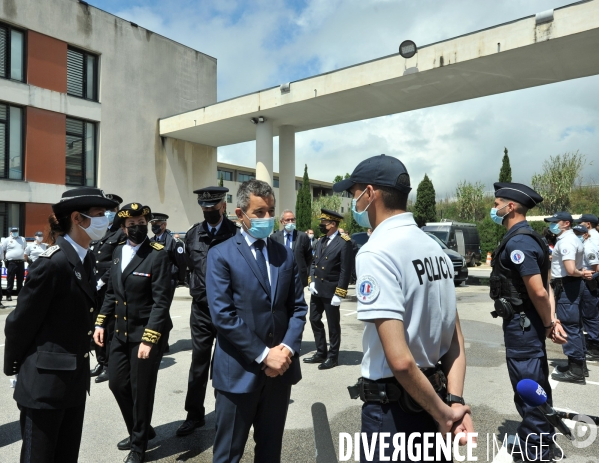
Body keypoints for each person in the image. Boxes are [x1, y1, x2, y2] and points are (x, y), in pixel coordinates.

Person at [333, 154, 473, 461]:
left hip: (392, 415)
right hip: (436, 397)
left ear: (371, 194)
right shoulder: (434, 248)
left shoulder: (376, 252)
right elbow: (455, 340)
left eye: (355, 194)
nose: (354, 203)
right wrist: (453, 403)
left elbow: (400, 361)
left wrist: (444, 415)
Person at [4, 187, 117, 463]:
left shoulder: (87, 258)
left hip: (74, 381)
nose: (106, 220)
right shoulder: (52, 264)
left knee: (66, 457)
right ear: (77, 218)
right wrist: (15, 366)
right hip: (44, 386)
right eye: (100, 214)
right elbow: (20, 322)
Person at [206, 179, 307, 463]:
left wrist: (285, 350)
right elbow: (223, 316)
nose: (267, 218)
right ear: (240, 215)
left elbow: (298, 308)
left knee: (270, 451)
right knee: (228, 454)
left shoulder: (284, 255)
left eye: (270, 211)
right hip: (238, 374)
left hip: (280, 374)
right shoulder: (221, 254)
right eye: (260, 212)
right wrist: (264, 355)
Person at [488, 183, 567, 461]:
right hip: (528, 323)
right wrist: (551, 319)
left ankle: (536, 449)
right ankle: (543, 439)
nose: (494, 208)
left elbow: (538, 290)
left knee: (528, 387)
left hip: (523, 327)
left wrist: (549, 323)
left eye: (497, 203)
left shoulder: (519, 242)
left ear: (511, 207)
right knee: (537, 385)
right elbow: (546, 286)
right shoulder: (526, 237)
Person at [93, 203, 172, 463]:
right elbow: (113, 293)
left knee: (141, 391)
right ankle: (141, 429)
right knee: (117, 383)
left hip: (145, 335)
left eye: (142, 224)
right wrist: (100, 323)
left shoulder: (157, 254)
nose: (138, 228)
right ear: (123, 227)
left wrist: (150, 339)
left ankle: (139, 446)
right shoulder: (117, 252)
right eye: (132, 225)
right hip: (120, 333)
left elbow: (161, 302)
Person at [176, 186, 237, 437]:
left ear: (223, 205)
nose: (209, 210)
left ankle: (226, 413)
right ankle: (194, 415)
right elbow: (189, 267)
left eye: (213, 205)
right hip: (201, 310)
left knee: (227, 363)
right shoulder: (193, 235)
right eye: (205, 206)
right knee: (199, 364)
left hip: (227, 309)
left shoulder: (235, 234)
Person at [545, 211, 593, 383]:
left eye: (555, 222)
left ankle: (576, 370)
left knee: (569, 325)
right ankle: (579, 365)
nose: (552, 225)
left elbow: (571, 269)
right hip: (571, 284)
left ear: (565, 223)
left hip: (567, 285)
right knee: (576, 326)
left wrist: (581, 273)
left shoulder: (567, 242)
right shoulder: (572, 239)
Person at [304, 208, 353, 370]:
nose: (321, 225)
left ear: (333, 224)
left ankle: (333, 357)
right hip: (317, 289)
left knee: (333, 325)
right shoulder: (321, 240)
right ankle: (321, 352)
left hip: (332, 291)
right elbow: (313, 262)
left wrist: (340, 293)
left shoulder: (344, 243)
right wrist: (311, 281)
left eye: (324, 223)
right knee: (314, 319)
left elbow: (346, 270)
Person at [89, 193, 125, 384]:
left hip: (108, 286)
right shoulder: (99, 230)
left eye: (112, 210)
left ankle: (110, 366)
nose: (109, 214)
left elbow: (116, 262)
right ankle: (100, 361)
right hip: (94, 285)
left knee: (109, 327)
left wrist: (102, 281)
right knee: (96, 324)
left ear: (117, 211)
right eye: (106, 210)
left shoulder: (120, 233)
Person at [572, 224, 599, 361]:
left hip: (590, 285)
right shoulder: (582, 246)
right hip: (585, 284)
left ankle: (595, 347)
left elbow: (597, 268)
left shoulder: (588, 248)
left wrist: (589, 276)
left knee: (590, 316)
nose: (576, 235)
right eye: (574, 232)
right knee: (587, 315)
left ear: (586, 234)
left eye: (579, 233)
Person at [271, 209, 313, 287]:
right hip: (281, 276)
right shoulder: (274, 237)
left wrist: (307, 274)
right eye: (287, 220)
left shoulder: (302, 236)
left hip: (299, 277)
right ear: (282, 222)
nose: (290, 222)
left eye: (292, 219)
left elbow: (309, 258)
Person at [150, 212, 187, 299]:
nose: (153, 226)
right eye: (152, 224)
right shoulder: (151, 241)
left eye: (156, 224)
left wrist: (180, 279)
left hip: (168, 279)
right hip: (154, 279)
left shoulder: (172, 241)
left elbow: (181, 262)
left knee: (164, 306)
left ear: (164, 225)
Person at [2, 226, 27, 301]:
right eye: (13, 232)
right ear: (10, 232)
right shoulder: (7, 240)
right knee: (10, 279)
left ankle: (20, 295)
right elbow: (3, 250)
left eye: (16, 231)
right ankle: (8, 295)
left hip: (20, 262)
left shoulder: (22, 239)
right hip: (11, 262)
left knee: (20, 279)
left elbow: (25, 248)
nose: (15, 233)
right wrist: (4, 259)